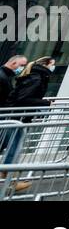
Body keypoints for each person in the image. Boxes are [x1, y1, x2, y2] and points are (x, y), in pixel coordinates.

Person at [3, 56, 51, 194]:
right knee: (13, 148)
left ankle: (10, 178)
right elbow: (22, 98)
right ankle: (10, 179)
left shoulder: (32, 77)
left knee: (13, 148)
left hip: (15, 118)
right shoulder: (36, 79)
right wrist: (46, 103)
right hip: (15, 118)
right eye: (52, 64)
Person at [0, 54, 29, 187]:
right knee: (13, 144)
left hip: (5, 117)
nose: (22, 68)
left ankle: (9, 178)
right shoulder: (2, 77)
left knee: (11, 144)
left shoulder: (6, 76)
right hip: (4, 117)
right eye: (21, 65)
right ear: (13, 64)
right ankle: (9, 179)